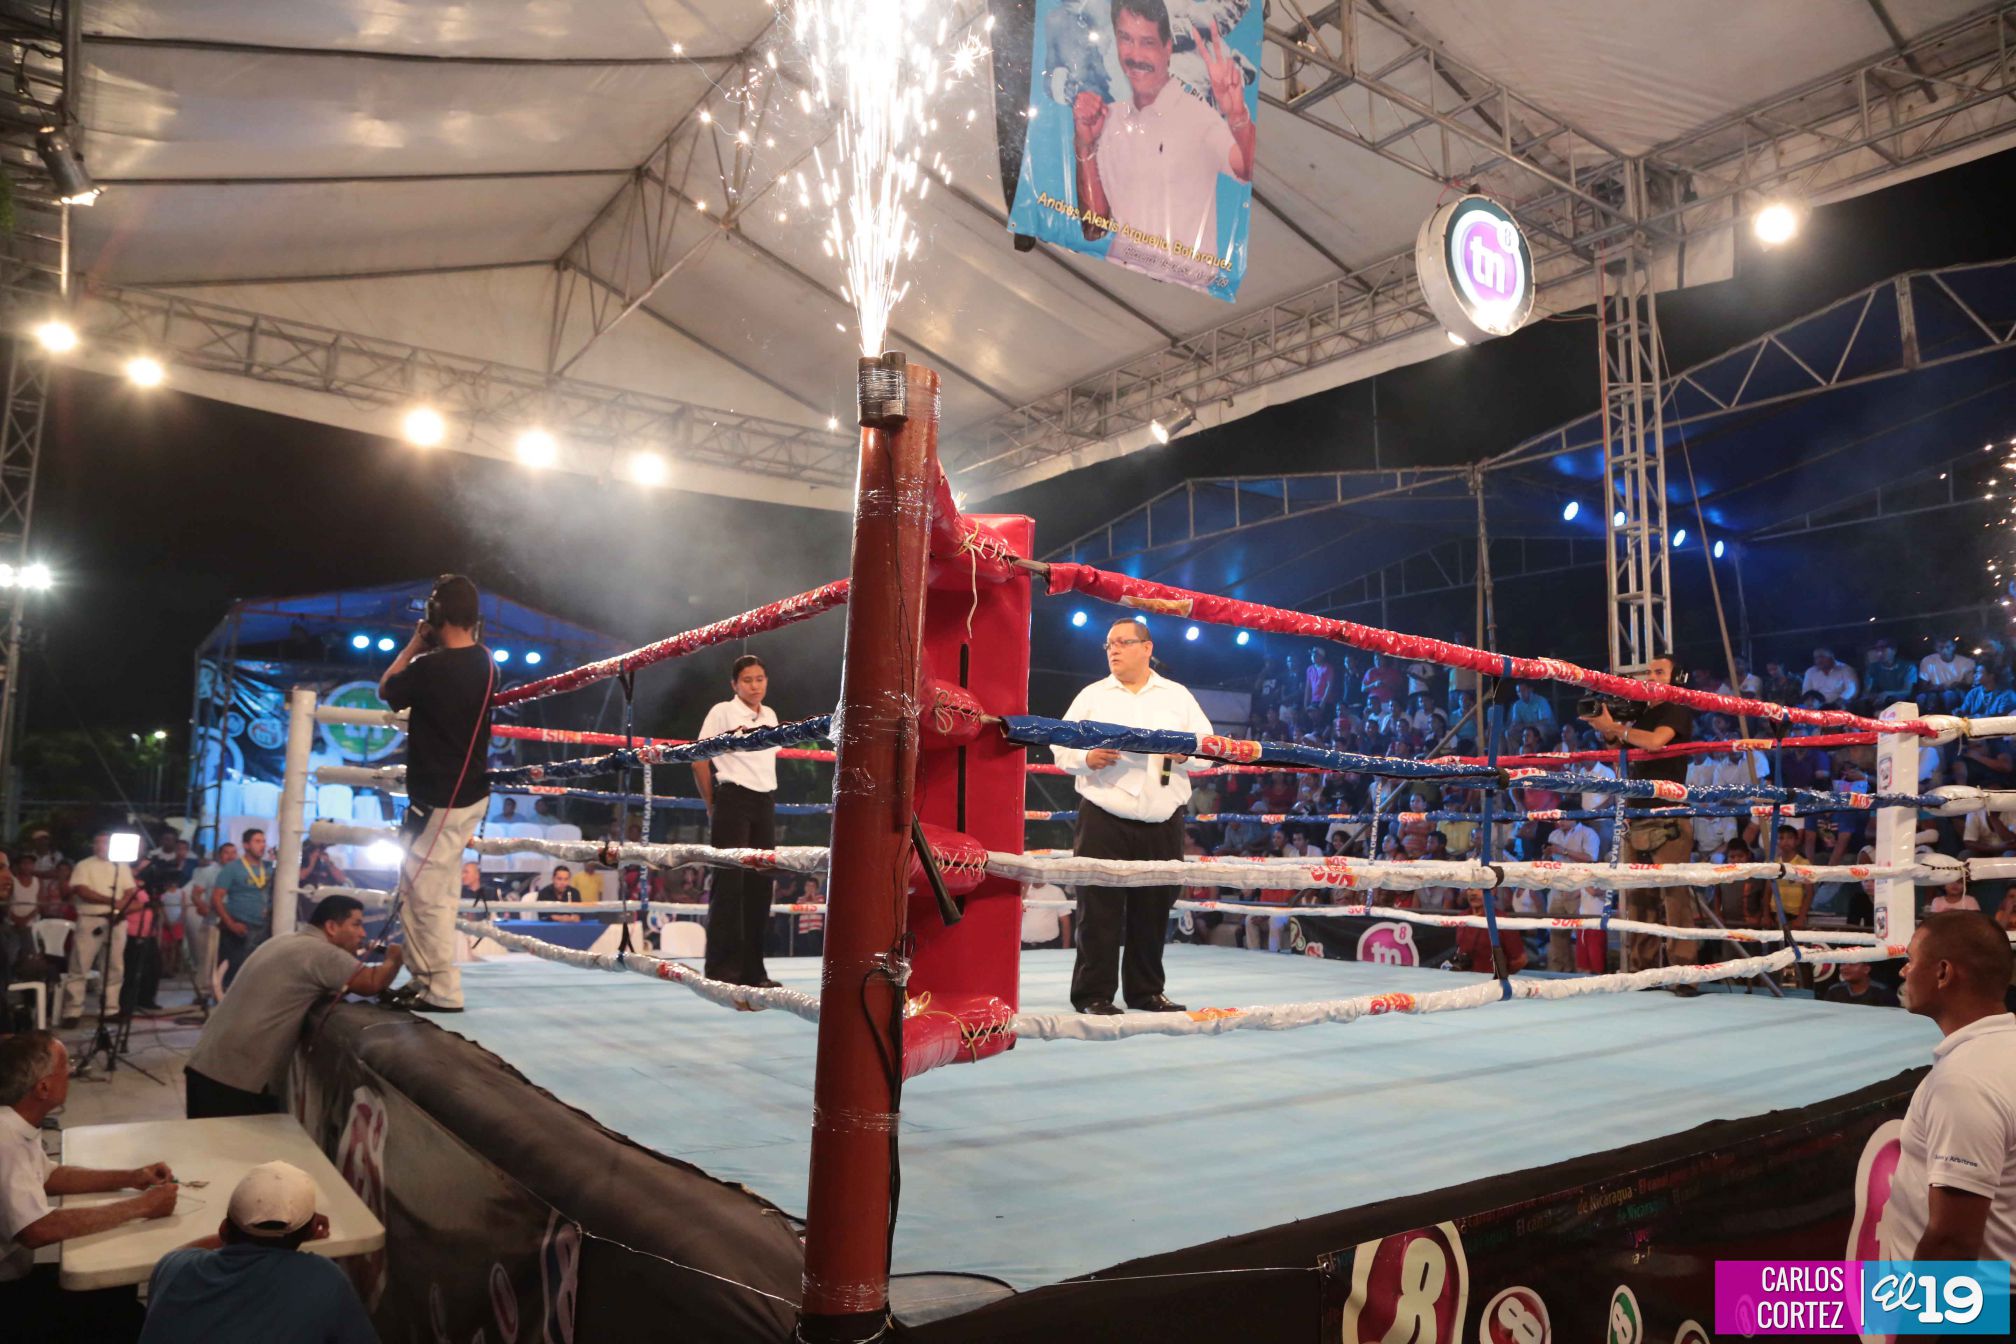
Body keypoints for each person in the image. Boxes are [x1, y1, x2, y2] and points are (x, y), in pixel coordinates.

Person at [1052, 617, 1214, 1013]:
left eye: (1122, 642)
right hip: (1104, 815)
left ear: (1147, 648)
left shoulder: (1177, 697)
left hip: (1163, 816)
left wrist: (1187, 753)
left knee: (1154, 909)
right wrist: (1086, 757)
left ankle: (1146, 992)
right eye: (1108, 645)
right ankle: (1093, 995)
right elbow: (1059, 745)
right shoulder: (1092, 695)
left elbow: (1209, 748)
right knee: (1099, 910)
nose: (1113, 650)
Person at [1071, 0, 1255, 290]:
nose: (1134, 55)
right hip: (1120, 285)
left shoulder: (1197, 117)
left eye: (1147, 42)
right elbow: (1094, 227)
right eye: (1126, 40)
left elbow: (1245, 168)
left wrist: (1238, 116)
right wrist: (1084, 144)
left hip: (1187, 295)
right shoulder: (1111, 118)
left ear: (1168, 47)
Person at [2, 1032, 177, 1330]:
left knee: (117, 1288)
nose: (70, 1071)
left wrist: (133, 1177)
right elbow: (35, 1230)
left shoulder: (16, 1122)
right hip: (7, 1296)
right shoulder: (5, 1139)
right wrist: (140, 1208)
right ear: (43, 1087)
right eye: (65, 1065)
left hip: (16, 1275)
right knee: (127, 1316)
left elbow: (50, 1176)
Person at [378, 574, 495, 1013]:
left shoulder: (429, 667)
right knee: (438, 892)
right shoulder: (487, 663)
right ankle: (426, 980)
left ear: (434, 615)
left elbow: (386, 689)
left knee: (423, 894)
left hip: (439, 800)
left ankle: (441, 990)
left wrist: (414, 645)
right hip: (465, 798)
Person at [1876, 911, 2016, 1266]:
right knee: (1766, 1298)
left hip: (1977, 1303)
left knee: (1750, 1303)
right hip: (1991, 1291)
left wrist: (1916, 1316)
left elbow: (1953, 1243)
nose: (1903, 971)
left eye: (1910, 960)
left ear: (1943, 973)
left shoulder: (1964, 1081)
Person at [184, 895, 402, 1119]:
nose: (363, 934)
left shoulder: (285, 940)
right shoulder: (321, 952)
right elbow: (371, 982)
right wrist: (394, 958)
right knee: (239, 1153)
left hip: (207, 1065)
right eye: (356, 925)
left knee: (209, 1150)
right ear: (331, 927)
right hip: (235, 1080)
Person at [138, 1160, 376, 1344]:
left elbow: (182, 1254)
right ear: (309, 1232)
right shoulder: (325, 1279)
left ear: (224, 1229)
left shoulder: (173, 1269)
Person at [1581, 656, 1699, 991]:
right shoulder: (1640, 711)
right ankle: (1643, 972)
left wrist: (1617, 729)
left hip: (1667, 813)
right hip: (1637, 811)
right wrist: (1603, 723)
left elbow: (1654, 742)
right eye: (1647, 672)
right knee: (1638, 899)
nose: (1650, 677)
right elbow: (1617, 745)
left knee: (1674, 898)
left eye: (1658, 672)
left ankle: (1684, 973)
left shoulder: (1676, 708)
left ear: (1677, 678)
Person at [693, 655, 781, 987]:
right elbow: (698, 759)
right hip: (732, 798)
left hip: (764, 801)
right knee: (729, 886)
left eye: (760, 678)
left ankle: (754, 971)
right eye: (747, 680)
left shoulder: (770, 715)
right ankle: (721, 970)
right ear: (734, 684)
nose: (755, 685)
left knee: (760, 886)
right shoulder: (722, 711)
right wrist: (712, 806)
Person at [59, 829, 138, 1027]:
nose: (101, 846)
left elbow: (130, 889)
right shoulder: (84, 865)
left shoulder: (121, 865)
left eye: (105, 843)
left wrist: (121, 904)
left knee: (114, 966)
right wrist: (112, 900)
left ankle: (111, 1008)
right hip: (90, 919)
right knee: (80, 965)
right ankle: (73, 1011)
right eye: (98, 843)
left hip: (116, 920)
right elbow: (82, 890)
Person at [213, 828, 275, 994]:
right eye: (257, 841)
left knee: (260, 969)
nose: (262, 845)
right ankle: (226, 1004)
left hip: (264, 926)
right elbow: (217, 898)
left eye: (263, 841)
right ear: (246, 845)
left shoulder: (270, 867)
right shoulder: (232, 868)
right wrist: (230, 924)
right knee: (235, 970)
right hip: (241, 926)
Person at [1542, 817, 1599, 972]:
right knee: (1556, 933)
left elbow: (1591, 859)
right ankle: (1559, 972)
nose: (1561, 822)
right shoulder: (1554, 835)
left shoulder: (1588, 833)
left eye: (1565, 818)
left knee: (1581, 934)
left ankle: (1583, 974)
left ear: (1575, 817)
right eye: (1559, 819)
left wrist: (1564, 851)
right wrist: (1547, 854)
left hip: (1579, 889)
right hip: (1557, 887)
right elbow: (1551, 860)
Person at [185, 841, 233, 1009]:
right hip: (213, 920)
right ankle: (203, 993)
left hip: (233, 920)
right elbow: (196, 894)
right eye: (227, 852)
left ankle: (224, 991)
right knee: (207, 958)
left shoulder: (239, 872)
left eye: (234, 852)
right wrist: (202, 907)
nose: (231, 856)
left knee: (228, 958)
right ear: (220, 855)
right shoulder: (208, 872)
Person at [1450, 889, 1527, 975]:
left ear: (1493, 891)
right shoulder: (1462, 917)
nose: (1473, 893)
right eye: (1470, 888)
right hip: (1463, 980)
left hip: (1490, 983)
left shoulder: (1502, 920)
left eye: (1479, 888)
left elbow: (1520, 960)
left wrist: (1499, 977)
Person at [1918, 637, 1977, 711]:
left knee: (1949, 695)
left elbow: (1970, 685)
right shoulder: (1928, 661)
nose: (1944, 650)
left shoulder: (1967, 662)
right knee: (1922, 697)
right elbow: (1922, 686)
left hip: (1957, 692)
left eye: (1948, 647)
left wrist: (1958, 685)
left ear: (1953, 647)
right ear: (1936, 648)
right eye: (1941, 647)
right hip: (1934, 692)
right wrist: (1937, 688)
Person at [1821, 959, 1898, 1007]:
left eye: (1852, 964)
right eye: (1843, 964)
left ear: (1866, 969)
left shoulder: (1883, 993)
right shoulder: (1834, 990)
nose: (1845, 967)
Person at [1021, 880, 1071, 950]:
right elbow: (1015, 916)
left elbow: (1065, 921)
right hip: (1024, 946)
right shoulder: (1021, 891)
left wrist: (1066, 947)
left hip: (1050, 945)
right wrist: (1025, 889)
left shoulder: (1056, 891)